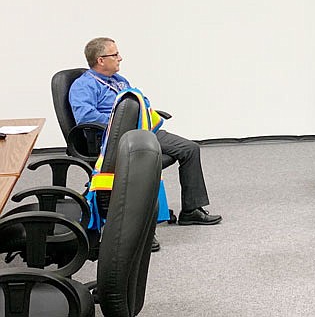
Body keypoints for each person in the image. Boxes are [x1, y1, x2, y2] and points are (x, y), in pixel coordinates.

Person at [69, 37, 222, 238]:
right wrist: (120, 122)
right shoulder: (84, 86)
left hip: (143, 132)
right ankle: (141, 231)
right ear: (100, 60)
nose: (120, 58)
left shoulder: (120, 81)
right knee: (145, 163)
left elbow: (141, 103)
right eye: (115, 55)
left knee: (190, 149)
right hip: (114, 140)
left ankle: (191, 211)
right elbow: (85, 116)